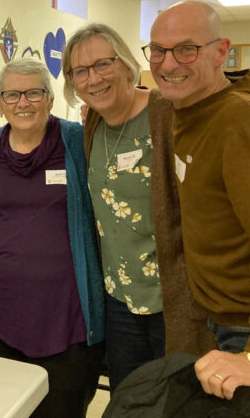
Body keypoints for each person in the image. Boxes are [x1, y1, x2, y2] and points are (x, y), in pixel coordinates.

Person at [148, 0, 250, 416]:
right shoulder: (193, 110)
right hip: (225, 322)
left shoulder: (243, 122)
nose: (168, 62)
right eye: (157, 50)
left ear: (222, 52)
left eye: (186, 49)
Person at [61, 23, 215, 390]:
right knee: (129, 399)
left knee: (176, 402)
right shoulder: (93, 123)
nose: (93, 79)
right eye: (80, 71)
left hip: (176, 298)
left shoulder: (169, 113)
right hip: (120, 299)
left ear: (127, 64)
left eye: (102, 64)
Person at [0, 58, 103, 417]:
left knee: (64, 406)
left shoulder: (77, 141)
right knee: (6, 407)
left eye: (33, 93)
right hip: (0, 310)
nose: (22, 103)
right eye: (11, 94)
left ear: (50, 98)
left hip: (65, 312)